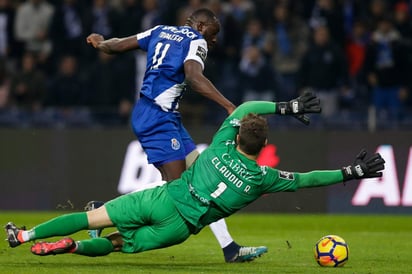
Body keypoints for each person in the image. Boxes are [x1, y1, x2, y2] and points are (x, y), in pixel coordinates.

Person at [5, 94, 385, 260]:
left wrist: (286, 106)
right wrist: (350, 171)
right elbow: (307, 180)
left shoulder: (219, 144)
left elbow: (249, 106)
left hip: (164, 197)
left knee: (92, 218)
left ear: (237, 135)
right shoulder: (263, 178)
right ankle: (76, 250)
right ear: (264, 145)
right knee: (120, 245)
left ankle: (25, 235)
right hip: (181, 227)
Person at [85, 8, 265, 263]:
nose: (213, 41)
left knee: (204, 178)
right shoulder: (196, 41)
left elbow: (119, 45)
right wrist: (228, 106)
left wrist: (101, 43)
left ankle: (229, 248)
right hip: (157, 118)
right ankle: (101, 210)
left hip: (161, 115)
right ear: (201, 27)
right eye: (213, 34)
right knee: (179, 190)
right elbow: (193, 76)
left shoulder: (160, 31)